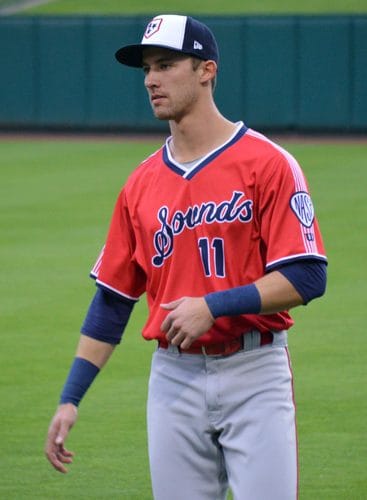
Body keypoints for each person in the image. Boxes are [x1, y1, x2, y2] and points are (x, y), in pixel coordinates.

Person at [45, 14, 327, 500]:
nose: (152, 78)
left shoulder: (268, 163)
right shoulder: (140, 183)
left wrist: (213, 305)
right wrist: (70, 398)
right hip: (173, 379)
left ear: (206, 70)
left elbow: (306, 276)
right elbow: (112, 300)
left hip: (255, 373)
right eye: (147, 68)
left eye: (166, 64)